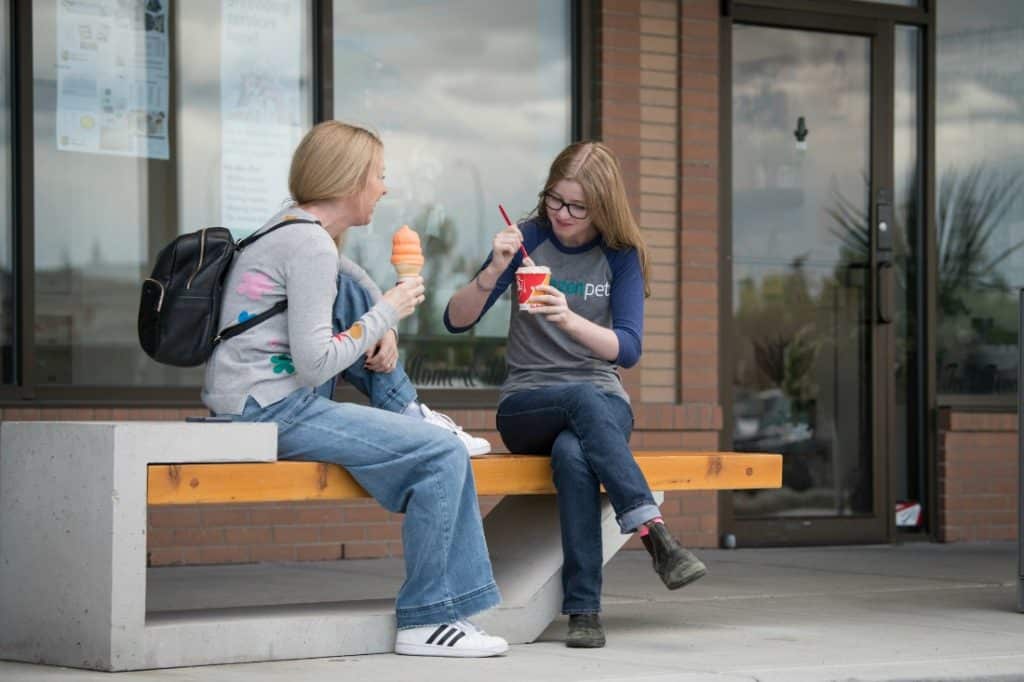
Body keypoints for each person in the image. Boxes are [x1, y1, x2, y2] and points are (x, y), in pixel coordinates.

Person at [202, 120, 506, 657]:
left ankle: (411, 414)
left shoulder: (289, 230)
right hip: (270, 408)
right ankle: (426, 621)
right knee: (438, 455)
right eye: (379, 176)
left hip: (257, 400)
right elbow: (316, 363)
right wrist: (388, 311)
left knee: (433, 447)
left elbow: (350, 281)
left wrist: (378, 322)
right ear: (349, 180)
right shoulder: (309, 245)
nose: (384, 188)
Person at [444, 141, 707, 649]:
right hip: (528, 403)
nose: (561, 214)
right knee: (577, 404)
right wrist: (493, 270)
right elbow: (456, 322)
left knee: (573, 453)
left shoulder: (620, 257)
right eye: (554, 200)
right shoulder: (527, 242)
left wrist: (568, 318)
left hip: (601, 400)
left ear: (602, 207)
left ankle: (584, 611)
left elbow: (626, 350)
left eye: (576, 206)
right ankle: (651, 530)